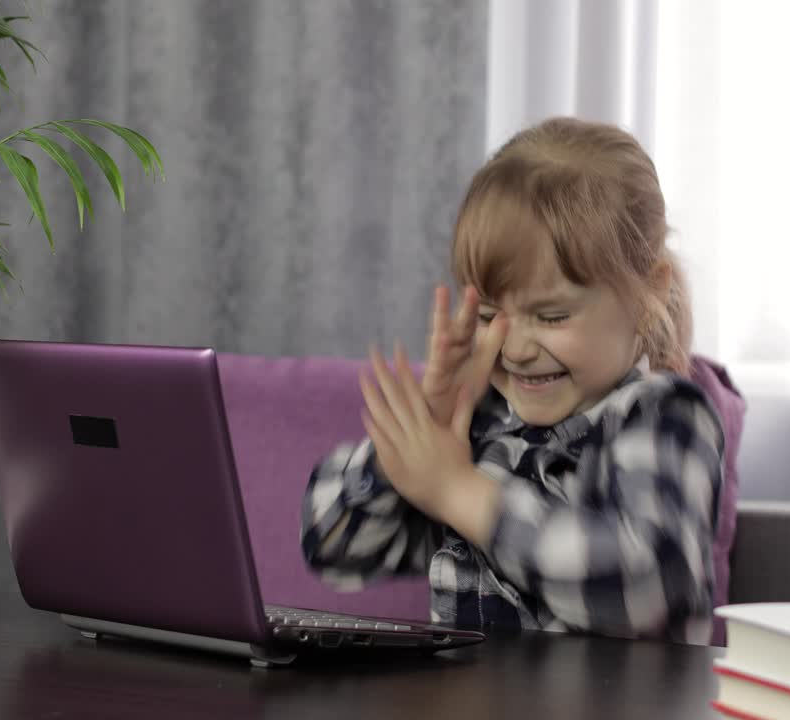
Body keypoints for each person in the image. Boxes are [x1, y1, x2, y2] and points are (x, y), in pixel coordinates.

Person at [301, 117, 725, 644]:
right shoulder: (485, 430)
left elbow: (647, 589)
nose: (517, 349)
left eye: (552, 317)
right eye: (490, 315)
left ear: (650, 295)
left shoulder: (661, 415)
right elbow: (332, 547)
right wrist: (413, 446)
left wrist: (459, 492)